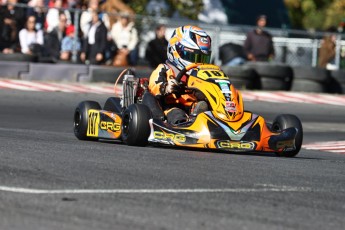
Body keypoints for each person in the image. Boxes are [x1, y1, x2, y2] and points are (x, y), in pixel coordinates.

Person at [144, 25, 211, 125]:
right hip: (171, 106)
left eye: (202, 59)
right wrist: (166, 87)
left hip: (193, 107)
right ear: (176, 51)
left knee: (206, 107)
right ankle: (183, 126)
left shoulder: (203, 75)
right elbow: (154, 86)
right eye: (193, 57)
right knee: (177, 114)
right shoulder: (165, 69)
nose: (198, 63)